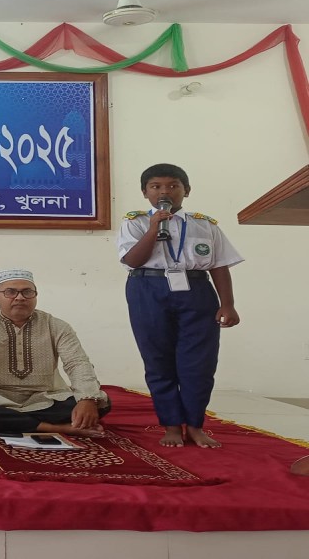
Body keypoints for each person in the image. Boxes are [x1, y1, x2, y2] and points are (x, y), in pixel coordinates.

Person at [117, 163, 242, 448]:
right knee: (158, 359)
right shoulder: (135, 222)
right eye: (156, 186)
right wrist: (153, 228)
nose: (165, 191)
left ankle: (195, 425)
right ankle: (172, 425)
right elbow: (132, 260)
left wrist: (228, 304)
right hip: (147, 288)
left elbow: (219, 265)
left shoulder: (205, 224)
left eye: (173, 186)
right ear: (145, 192)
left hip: (196, 290)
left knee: (199, 362)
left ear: (187, 190)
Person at [0, 269, 110, 437]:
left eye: (27, 292)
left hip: (44, 398)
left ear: (35, 296)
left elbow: (77, 363)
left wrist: (87, 399)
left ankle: (18, 423)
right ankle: (55, 428)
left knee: (100, 403)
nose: (20, 297)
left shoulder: (57, 326)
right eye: (10, 292)